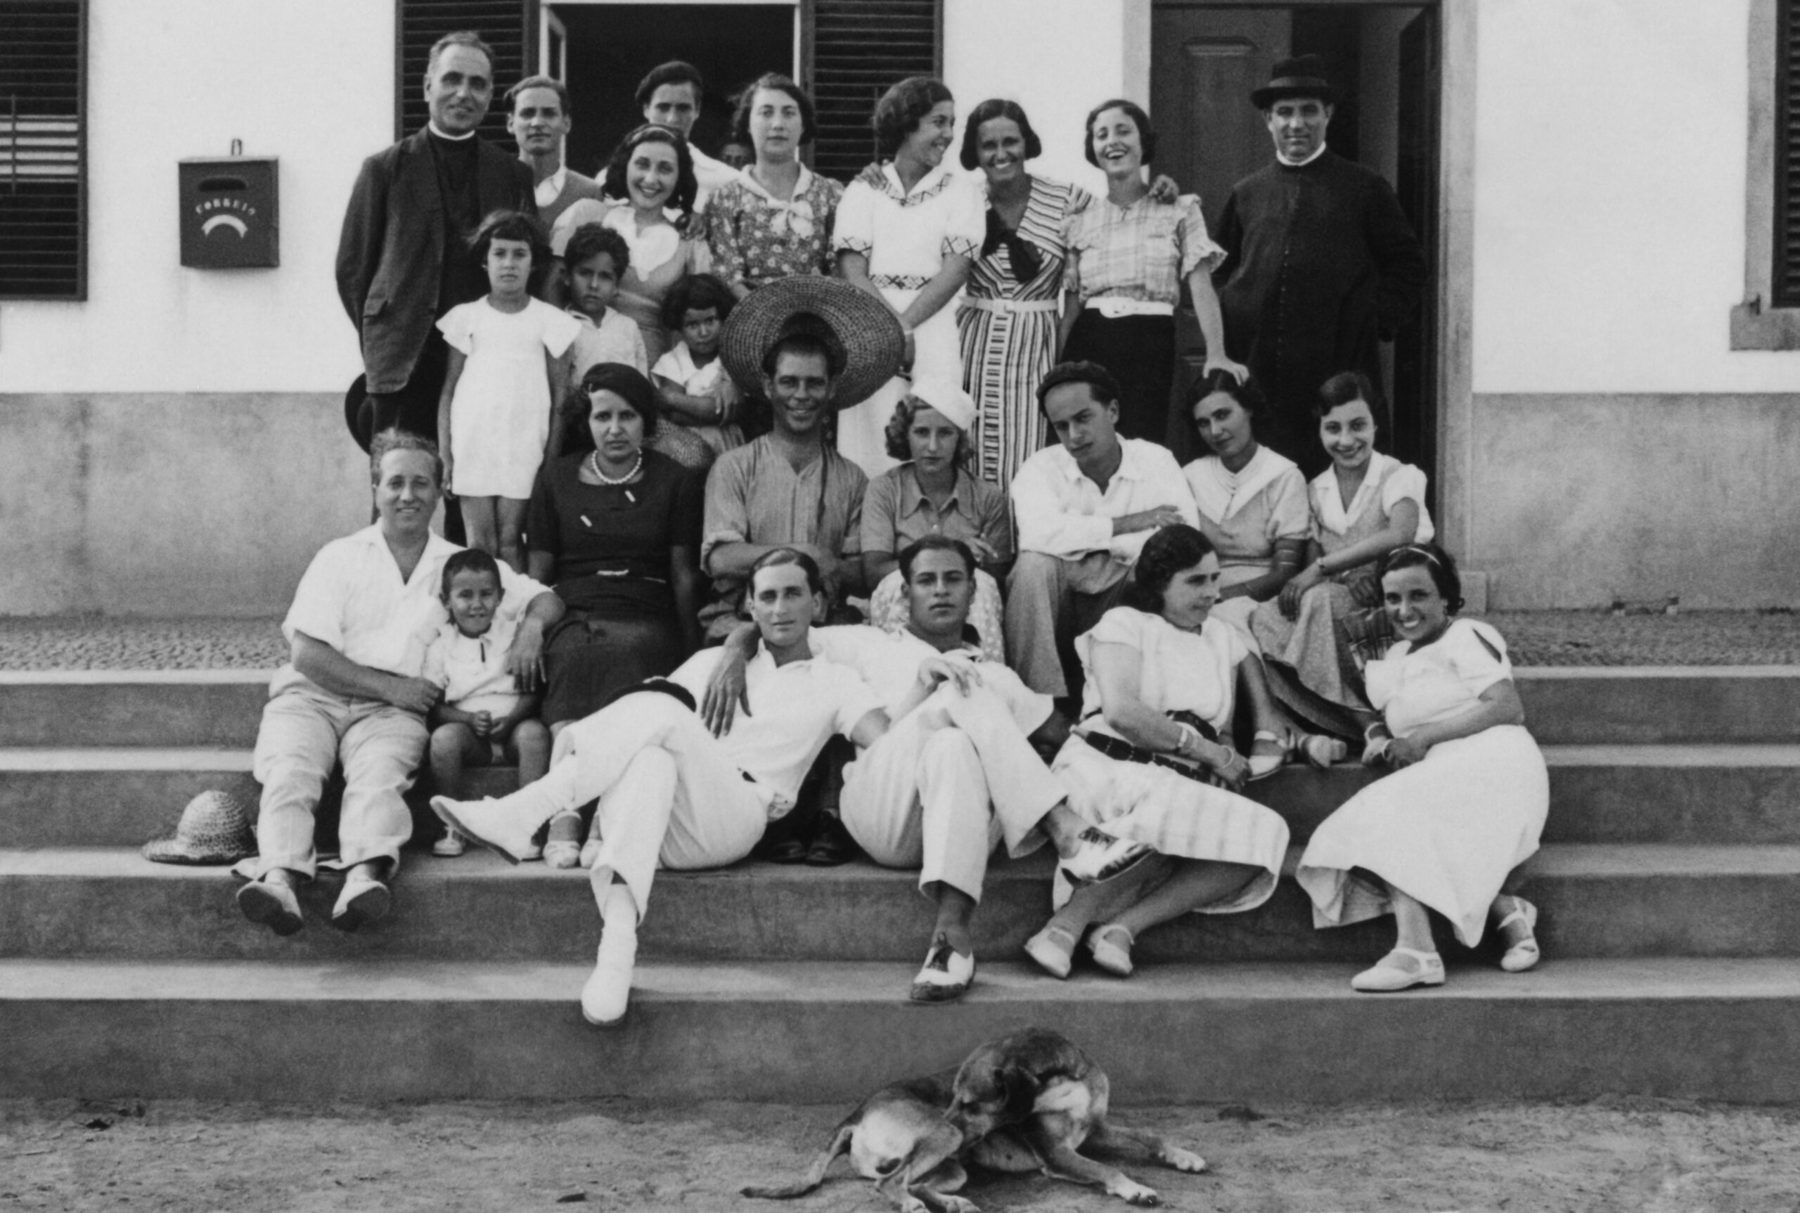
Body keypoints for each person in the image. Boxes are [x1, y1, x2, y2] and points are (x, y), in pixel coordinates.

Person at [432, 548, 902, 1026]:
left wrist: (931, 693)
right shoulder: (708, 663)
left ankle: (526, 810)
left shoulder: (837, 680)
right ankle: (615, 957)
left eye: (793, 595)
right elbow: (636, 716)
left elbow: (887, 743)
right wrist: (729, 654)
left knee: (664, 713)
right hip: (669, 819)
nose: (780, 609)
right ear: (750, 609)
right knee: (654, 747)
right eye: (768, 597)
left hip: (738, 817)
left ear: (818, 605)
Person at [702, 536, 1153, 1003]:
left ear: (973, 593)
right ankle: (1066, 831)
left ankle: (950, 940)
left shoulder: (999, 677)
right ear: (905, 594)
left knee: (957, 730)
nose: (940, 591)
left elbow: (1067, 739)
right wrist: (736, 645)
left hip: (968, 818)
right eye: (926, 580)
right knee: (955, 682)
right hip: (885, 811)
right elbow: (779, 623)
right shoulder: (864, 644)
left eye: (953, 579)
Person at [235, 431, 563, 936]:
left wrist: (533, 630)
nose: (407, 495)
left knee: (379, 777)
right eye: (395, 483)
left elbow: (546, 599)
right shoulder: (339, 557)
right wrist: (392, 688)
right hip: (315, 696)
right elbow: (306, 654)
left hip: (390, 715)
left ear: (440, 490)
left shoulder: (456, 564)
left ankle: (364, 878)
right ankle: (279, 879)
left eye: (421, 483)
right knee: (291, 772)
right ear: (374, 489)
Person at [1021, 525, 1292, 980]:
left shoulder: (1219, 638)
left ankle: (1121, 928)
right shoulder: (1124, 625)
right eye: (1196, 581)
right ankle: (1061, 928)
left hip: (1178, 777)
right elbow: (1123, 712)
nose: (1212, 592)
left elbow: (1220, 728)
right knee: (1172, 804)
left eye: (1215, 578)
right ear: (1158, 584)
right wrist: (1205, 750)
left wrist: (1222, 757)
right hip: (1105, 764)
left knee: (1266, 834)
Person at [1296, 544, 1547, 992]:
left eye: (1419, 596)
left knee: (1389, 808)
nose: (1405, 610)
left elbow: (1507, 706)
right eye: (1393, 599)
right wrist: (1379, 738)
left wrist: (1422, 739)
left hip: (1495, 761)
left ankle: (1416, 950)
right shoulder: (1394, 659)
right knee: (1360, 826)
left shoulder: (1466, 634)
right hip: (1440, 772)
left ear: (1446, 597)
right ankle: (1502, 907)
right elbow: (1384, 716)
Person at [1214, 56, 1428, 475]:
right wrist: (1237, 318)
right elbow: (1218, 268)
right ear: (1267, 120)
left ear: (1327, 114)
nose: (1297, 124)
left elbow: (1408, 265)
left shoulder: (1365, 187)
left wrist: (1371, 319)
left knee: (1339, 470)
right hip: (1263, 367)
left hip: (1338, 361)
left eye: (1309, 110)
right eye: (1285, 112)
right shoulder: (1247, 193)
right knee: (1267, 475)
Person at [528, 362, 704, 866]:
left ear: (646, 422)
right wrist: (531, 626)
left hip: (646, 614)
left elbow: (683, 575)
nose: (614, 429)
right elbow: (538, 573)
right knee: (575, 649)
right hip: (571, 610)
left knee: (620, 651)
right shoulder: (557, 479)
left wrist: (691, 651)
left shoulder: (675, 481)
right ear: (587, 421)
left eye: (627, 416)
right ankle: (570, 811)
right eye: (603, 416)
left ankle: (598, 810)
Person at [336, 32, 535, 446]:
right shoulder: (384, 170)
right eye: (452, 79)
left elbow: (532, 263)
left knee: (474, 497)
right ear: (428, 86)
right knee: (399, 496)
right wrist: (389, 332)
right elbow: (353, 270)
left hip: (486, 361)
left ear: (490, 94)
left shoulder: (512, 174)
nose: (463, 93)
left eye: (477, 84)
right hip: (405, 362)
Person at [702, 276, 905, 638]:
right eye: (789, 382)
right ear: (768, 386)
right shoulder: (734, 466)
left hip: (822, 630)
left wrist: (838, 569)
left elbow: (860, 571)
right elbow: (720, 559)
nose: (801, 395)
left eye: (814, 383)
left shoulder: (852, 478)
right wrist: (805, 553)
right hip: (741, 627)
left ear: (831, 388)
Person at [1250, 371, 1433, 738]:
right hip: (1342, 600)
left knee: (1319, 600)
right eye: (1333, 428)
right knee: (1263, 620)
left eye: (1358, 426)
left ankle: (1361, 720)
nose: (1346, 440)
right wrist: (1347, 576)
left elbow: (1400, 533)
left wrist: (1340, 571)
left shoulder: (1398, 475)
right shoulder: (1316, 489)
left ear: (1376, 425)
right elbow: (1317, 558)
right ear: (1319, 431)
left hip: (1395, 600)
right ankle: (1346, 718)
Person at [1005, 361, 1199, 698]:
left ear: (1112, 410)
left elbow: (1182, 538)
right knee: (1033, 566)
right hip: (1061, 601)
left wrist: (1092, 543)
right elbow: (1038, 535)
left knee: (1163, 565)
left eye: (1083, 418)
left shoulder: (1155, 459)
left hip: (1125, 592)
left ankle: (1141, 699)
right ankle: (1041, 704)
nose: (1074, 436)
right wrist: (1127, 524)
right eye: (1061, 426)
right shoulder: (1040, 467)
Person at [1061, 99, 1246, 447]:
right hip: (1090, 340)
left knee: (1143, 443)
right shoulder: (1080, 220)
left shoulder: (1178, 208)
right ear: (1094, 149)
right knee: (1087, 442)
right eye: (1102, 135)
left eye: (1123, 130)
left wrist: (1216, 352)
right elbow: (1072, 306)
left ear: (1143, 141)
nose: (1112, 141)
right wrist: (1057, 366)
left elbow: (1201, 284)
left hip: (1151, 340)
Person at [835, 76, 985, 476]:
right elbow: (852, 268)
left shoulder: (962, 191)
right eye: (938, 122)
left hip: (934, 327)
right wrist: (892, 330)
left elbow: (956, 269)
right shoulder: (863, 191)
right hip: (870, 324)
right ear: (907, 123)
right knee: (871, 440)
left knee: (934, 429)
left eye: (952, 123)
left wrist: (906, 327)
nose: (949, 134)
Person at [955, 99, 1094, 489]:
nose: (1001, 154)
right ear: (975, 152)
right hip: (973, 343)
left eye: (1010, 141)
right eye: (988, 145)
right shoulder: (960, 199)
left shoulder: (1067, 199)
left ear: (1026, 143)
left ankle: (1030, 543)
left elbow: (1118, 220)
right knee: (972, 443)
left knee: (1034, 450)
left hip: (1039, 342)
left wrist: (1159, 193)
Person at [434, 210, 579, 571]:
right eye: (499, 254)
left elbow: (560, 397)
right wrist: (446, 454)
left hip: (525, 443)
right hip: (474, 441)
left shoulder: (551, 321)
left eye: (519, 254)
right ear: (485, 260)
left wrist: (551, 457)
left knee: (512, 542)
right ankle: (480, 624)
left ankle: (513, 620)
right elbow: (449, 390)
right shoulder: (466, 317)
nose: (509, 264)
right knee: (480, 544)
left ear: (534, 263)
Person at [861, 377, 1011, 662]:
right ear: (905, 435)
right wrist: (955, 551)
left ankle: (989, 681)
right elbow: (874, 571)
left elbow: (997, 578)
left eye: (945, 433)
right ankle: (898, 681)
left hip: (965, 607)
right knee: (899, 584)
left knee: (981, 587)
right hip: (903, 601)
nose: (932, 446)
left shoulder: (987, 497)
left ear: (960, 439)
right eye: (921, 432)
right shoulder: (885, 489)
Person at [422, 549, 552, 857]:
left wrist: (514, 719)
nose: (477, 604)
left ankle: (527, 827)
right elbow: (435, 707)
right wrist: (466, 720)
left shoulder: (514, 636)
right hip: (471, 739)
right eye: (465, 595)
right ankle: (452, 824)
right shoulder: (441, 645)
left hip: (515, 730)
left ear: (501, 597)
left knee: (535, 734)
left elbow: (535, 690)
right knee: (443, 740)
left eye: (486, 594)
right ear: (446, 601)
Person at [552, 125, 710, 365]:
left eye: (665, 169)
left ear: (679, 177)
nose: (651, 178)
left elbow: (698, 321)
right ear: (625, 165)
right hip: (579, 357)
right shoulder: (588, 214)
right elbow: (551, 289)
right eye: (642, 164)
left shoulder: (688, 241)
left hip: (650, 370)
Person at [1182, 370, 1309, 636]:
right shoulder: (1191, 476)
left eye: (1222, 415)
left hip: (1263, 598)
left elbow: (1285, 572)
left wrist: (1221, 597)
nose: (1215, 431)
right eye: (1203, 423)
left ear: (1248, 408)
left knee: (1221, 621)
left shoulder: (1283, 475)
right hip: (1201, 592)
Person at [707, 74, 844, 298]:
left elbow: (838, 265)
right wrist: (767, 315)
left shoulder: (831, 193)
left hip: (817, 316)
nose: (778, 124)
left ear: (802, 125)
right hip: (750, 319)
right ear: (748, 123)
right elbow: (727, 273)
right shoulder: (724, 198)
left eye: (789, 113)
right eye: (766, 112)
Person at [652, 272, 743, 455]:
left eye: (710, 321)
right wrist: (708, 409)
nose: (703, 332)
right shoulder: (672, 361)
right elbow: (673, 415)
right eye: (692, 325)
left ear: (723, 317)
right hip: (684, 446)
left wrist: (672, 398)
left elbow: (720, 412)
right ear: (679, 327)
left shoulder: (732, 357)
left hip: (728, 446)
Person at [505, 75, 607, 237]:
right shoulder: (493, 186)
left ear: (566, 123)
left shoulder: (589, 192)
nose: (537, 122)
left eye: (549, 113)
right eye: (527, 113)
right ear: (510, 123)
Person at [634, 60, 738, 209]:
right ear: (646, 109)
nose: (672, 119)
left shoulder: (726, 182)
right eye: (663, 108)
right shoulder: (614, 178)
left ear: (697, 110)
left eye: (683, 108)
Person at [561, 222, 648, 375]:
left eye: (605, 277)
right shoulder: (559, 326)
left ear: (617, 286)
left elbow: (640, 385)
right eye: (585, 273)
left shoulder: (628, 328)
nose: (594, 285)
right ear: (567, 276)